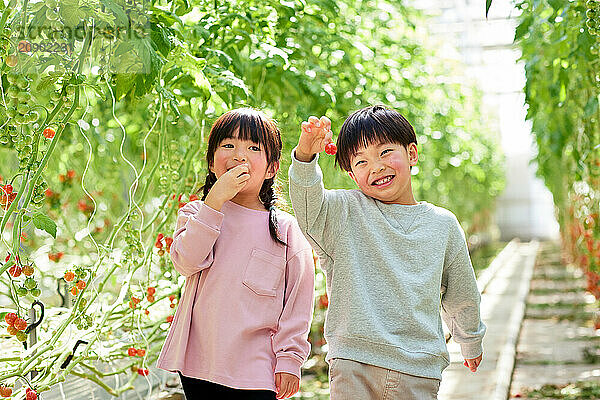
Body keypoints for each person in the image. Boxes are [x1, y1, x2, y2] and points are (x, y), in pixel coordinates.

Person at [288, 105, 486, 399]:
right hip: (354, 363)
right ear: (353, 176)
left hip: (418, 369)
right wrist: (305, 158)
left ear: (412, 154)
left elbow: (461, 292)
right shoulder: (343, 212)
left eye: (385, 152)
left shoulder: (442, 225)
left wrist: (469, 339)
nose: (376, 167)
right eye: (361, 161)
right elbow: (308, 209)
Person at [156, 108, 315, 400]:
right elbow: (186, 262)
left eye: (253, 148)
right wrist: (215, 200)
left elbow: (298, 301)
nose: (240, 155)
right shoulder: (196, 213)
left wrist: (290, 359)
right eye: (228, 145)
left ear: (271, 169)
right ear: (212, 161)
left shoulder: (285, 230)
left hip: (257, 368)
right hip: (199, 364)